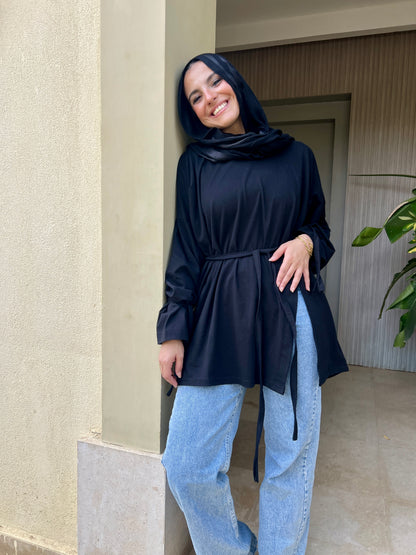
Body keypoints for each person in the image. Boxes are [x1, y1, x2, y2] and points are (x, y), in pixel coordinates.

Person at [157, 53, 348, 555]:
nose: (209, 98)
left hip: (291, 305)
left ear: (234, 82)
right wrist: (173, 330)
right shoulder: (196, 164)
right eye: (195, 97)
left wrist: (305, 242)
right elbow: (186, 249)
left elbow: (319, 229)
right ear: (192, 112)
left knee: (291, 451)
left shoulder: (296, 156)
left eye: (214, 82)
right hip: (219, 311)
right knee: (186, 463)